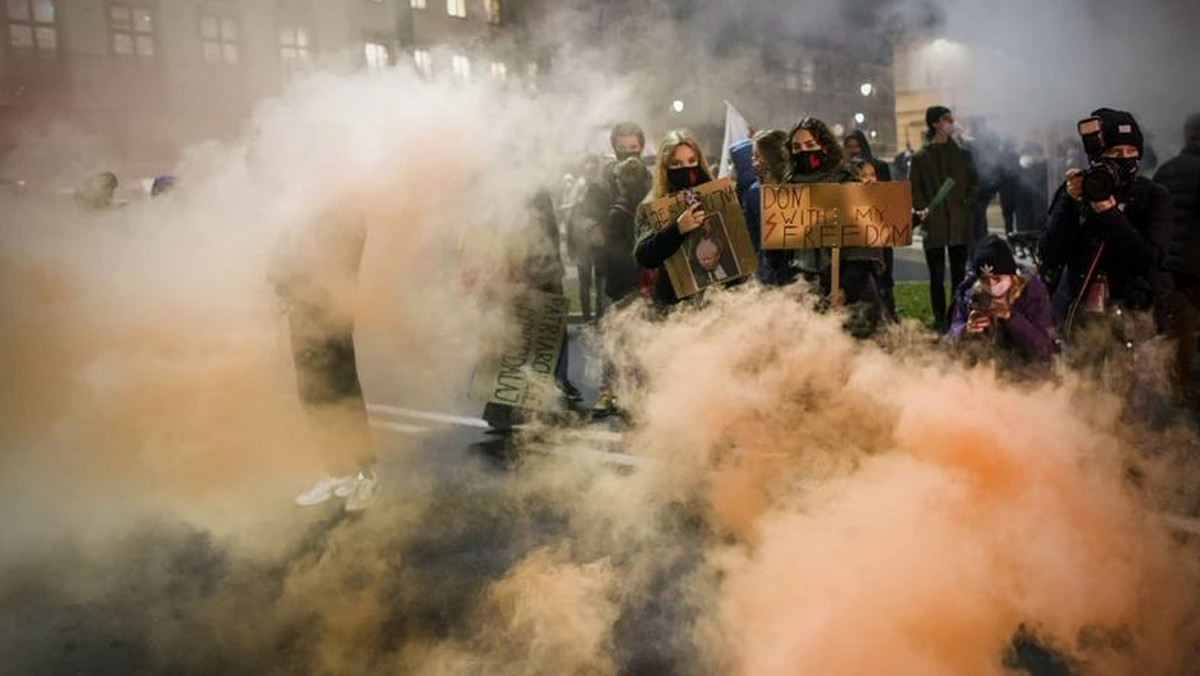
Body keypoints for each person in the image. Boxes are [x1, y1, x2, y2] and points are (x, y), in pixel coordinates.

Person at [271, 212, 378, 512]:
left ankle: (364, 474)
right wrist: (283, 284)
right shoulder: (304, 198)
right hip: (303, 305)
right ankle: (339, 471)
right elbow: (288, 239)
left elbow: (341, 258)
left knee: (340, 387)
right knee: (312, 389)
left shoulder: (343, 207)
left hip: (330, 306)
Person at [1041, 108, 1173, 342]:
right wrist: (1068, 202)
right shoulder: (1078, 191)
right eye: (1115, 151)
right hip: (1079, 317)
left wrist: (1108, 212)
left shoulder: (1153, 196)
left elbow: (1146, 260)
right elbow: (1050, 252)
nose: (1124, 158)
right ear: (1098, 157)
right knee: (1077, 379)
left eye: (1131, 151)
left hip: (1133, 319)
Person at [787, 117, 885, 334]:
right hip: (804, 290)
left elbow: (864, 244)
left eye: (810, 145)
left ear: (824, 146)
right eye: (797, 147)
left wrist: (844, 290)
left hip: (849, 291)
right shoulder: (788, 188)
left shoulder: (846, 181)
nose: (803, 151)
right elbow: (780, 245)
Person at [592, 157, 652, 418]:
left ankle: (621, 396)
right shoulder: (648, 206)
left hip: (626, 285)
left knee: (620, 343)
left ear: (621, 182)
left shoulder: (617, 213)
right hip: (645, 283)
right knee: (639, 342)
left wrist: (615, 288)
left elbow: (614, 256)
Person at [910, 105, 979, 331]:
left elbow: (974, 182)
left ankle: (957, 316)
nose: (951, 122)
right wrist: (922, 209)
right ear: (935, 124)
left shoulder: (963, 153)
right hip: (934, 224)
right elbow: (915, 188)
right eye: (946, 119)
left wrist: (967, 202)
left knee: (959, 275)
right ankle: (940, 318)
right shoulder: (921, 157)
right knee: (936, 276)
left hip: (959, 223)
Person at [571, 122, 647, 320]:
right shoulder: (601, 183)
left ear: (641, 147)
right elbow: (582, 216)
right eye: (622, 149)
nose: (628, 154)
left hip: (646, 268)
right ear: (614, 149)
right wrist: (592, 228)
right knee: (611, 329)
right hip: (610, 270)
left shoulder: (651, 180)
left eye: (633, 148)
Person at [634, 130, 717, 308]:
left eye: (691, 161)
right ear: (665, 168)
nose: (686, 169)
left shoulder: (718, 197)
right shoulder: (652, 205)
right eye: (676, 164)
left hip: (719, 302)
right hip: (675, 307)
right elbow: (643, 256)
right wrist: (677, 229)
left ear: (700, 162)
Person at [948, 235, 1054, 367]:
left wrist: (1011, 317)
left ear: (1011, 276)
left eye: (998, 279)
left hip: (1026, 374)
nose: (992, 286)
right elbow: (949, 341)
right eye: (985, 280)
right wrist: (965, 330)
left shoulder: (1032, 295)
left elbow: (1044, 350)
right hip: (980, 374)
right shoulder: (969, 295)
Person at [1156, 112, 1200, 405]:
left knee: (1180, 333)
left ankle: (1179, 388)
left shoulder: (1166, 169)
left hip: (1170, 265)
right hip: (1196, 265)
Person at [729, 129, 794, 285]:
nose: (753, 161)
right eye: (752, 156)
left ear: (771, 157)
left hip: (768, 271)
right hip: (782, 271)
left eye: (757, 156)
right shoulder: (793, 186)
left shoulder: (757, 192)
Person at [847, 130, 898, 321]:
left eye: (872, 175)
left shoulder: (881, 195)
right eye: (849, 147)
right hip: (858, 260)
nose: (853, 151)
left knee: (883, 289)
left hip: (881, 252)